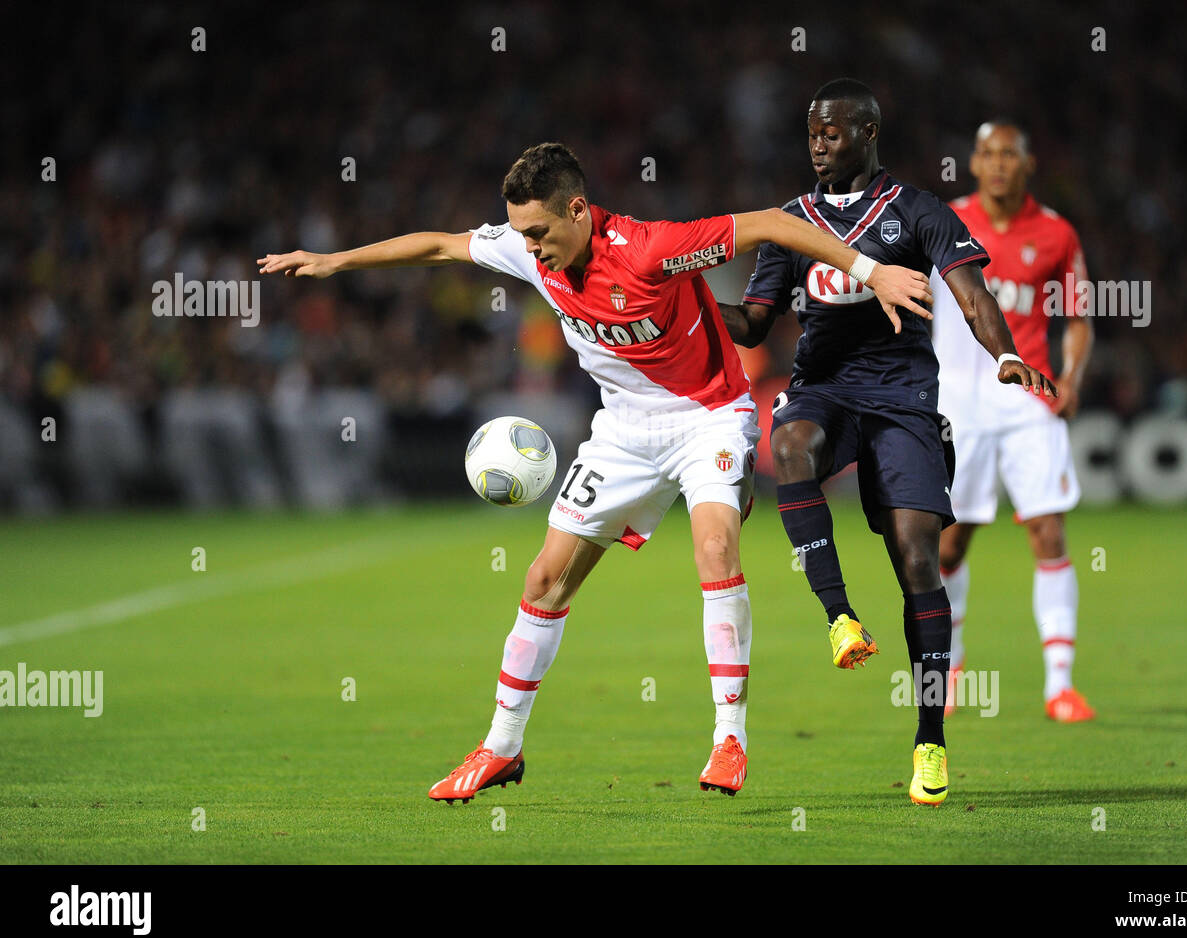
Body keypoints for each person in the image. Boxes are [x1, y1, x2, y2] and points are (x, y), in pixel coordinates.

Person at [259, 142, 931, 801]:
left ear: (578, 209)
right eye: (521, 232)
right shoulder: (529, 250)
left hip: (709, 418)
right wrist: (331, 261)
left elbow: (775, 224)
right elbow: (440, 244)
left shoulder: (653, 248)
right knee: (544, 579)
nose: (530, 245)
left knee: (715, 545)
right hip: (623, 432)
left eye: (540, 231)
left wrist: (872, 272)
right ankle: (501, 746)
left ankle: (730, 736)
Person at [721, 80, 1055, 807]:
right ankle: (839, 617)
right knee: (793, 442)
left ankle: (930, 737)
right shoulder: (792, 220)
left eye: (832, 133)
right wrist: (684, 300)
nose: (817, 144)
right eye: (811, 133)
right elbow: (753, 323)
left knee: (918, 562)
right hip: (824, 386)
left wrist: (1003, 353)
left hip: (904, 397)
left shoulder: (917, 210)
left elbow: (972, 294)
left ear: (868, 134)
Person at [933, 121, 1095, 723]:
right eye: (987, 154)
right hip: (955, 405)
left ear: (1028, 165)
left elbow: (1079, 315)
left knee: (1049, 535)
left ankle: (1059, 685)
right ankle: (948, 668)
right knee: (949, 544)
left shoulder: (1056, 233)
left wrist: (1073, 381)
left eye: (1009, 155)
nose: (997, 164)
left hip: (1029, 401)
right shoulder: (940, 222)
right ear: (973, 163)